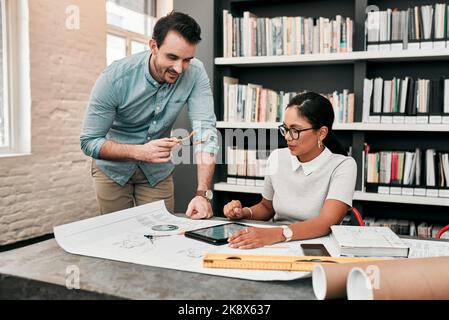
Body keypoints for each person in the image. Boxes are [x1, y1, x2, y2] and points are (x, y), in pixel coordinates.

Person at [80, 11, 218, 218]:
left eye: (187, 59)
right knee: (118, 240)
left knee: (162, 236)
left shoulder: (196, 73)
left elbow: (206, 132)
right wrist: (140, 152)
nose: (179, 68)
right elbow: (89, 141)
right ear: (153, 46)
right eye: (172, 57)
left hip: (157, 173)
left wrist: (203, 194)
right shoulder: (114, 78)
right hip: (112, 171)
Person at [223, 91, 357, 249]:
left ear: (321, 133)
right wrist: (244, 213)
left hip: (318, 246)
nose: (287, 137)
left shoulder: (343, 165)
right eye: (285, 129)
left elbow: (326, 222)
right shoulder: (277, 158)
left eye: (295, 130)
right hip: (276, 244)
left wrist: (276, 234)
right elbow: (267, 207)